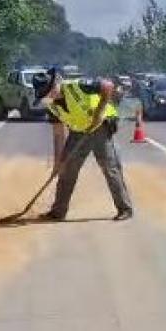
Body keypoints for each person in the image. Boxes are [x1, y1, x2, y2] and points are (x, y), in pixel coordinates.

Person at [32, 68, 133, 221]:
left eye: (51, 90)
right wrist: (58, 162)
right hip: (78, 131)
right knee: (67, 170)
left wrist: (99, 113)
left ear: (56, 84)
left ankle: (125, 209)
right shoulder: (52, 107)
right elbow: (58, 135)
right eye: (46, 93)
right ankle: (58, 211)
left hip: (100, 127)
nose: (50, 94)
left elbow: (107, 86)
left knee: (109, 167)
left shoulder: (76, 86)